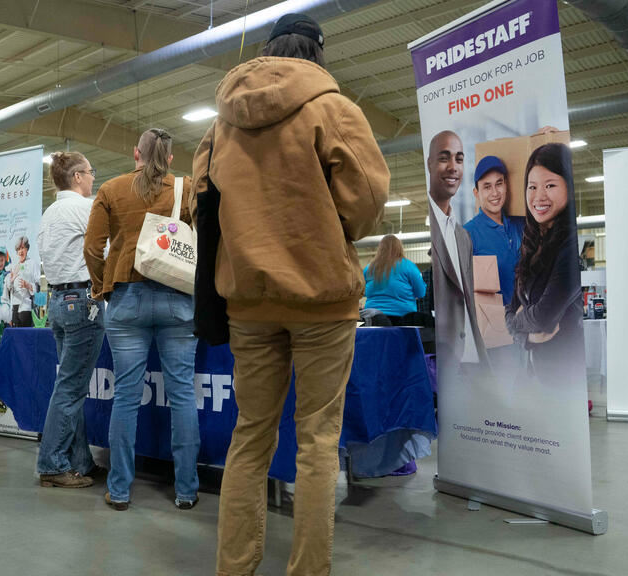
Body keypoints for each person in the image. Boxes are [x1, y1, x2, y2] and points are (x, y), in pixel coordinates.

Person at [190, 14, 389, 575]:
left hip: (249, 305)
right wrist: (328, 228)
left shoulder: (220, 127)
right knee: (318, 441)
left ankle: (235, 567)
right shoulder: (333, 109)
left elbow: (198, 206)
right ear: (317, 53)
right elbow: (367, 200)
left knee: (250, 437)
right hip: (323, 300)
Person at [85, 128, 201, 511]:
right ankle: (186, 490)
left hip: (127, 300)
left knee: (126, 397)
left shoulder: (112, 189)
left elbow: (92, 246)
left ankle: (119, 490)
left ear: (136, 153)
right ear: (169, 158)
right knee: (183, 394)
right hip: (177, 301)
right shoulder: (186, 188)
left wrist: (103, 288)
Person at [35, 151, 106, 489]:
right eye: (90, 172)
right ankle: (51, 463)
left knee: (69, 384)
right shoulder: (83, 208)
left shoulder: (49, 213)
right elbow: (103, 251)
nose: (93, 178)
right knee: (70, 388)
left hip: (59, 300)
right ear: (77, 176)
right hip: (83, 301)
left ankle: (80, 461)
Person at [506, 143, 584, 384]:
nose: (539, 196)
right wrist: (527, 337)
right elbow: (508, 313)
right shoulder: (532, 244)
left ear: (569, 189)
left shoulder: (569, 247)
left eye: (550, 185)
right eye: (532, 187)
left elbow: (543, 317)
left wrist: (519, 322)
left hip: (564, 374)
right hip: (537, 373)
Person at [426, 130, 488, 370]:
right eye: (444, 158)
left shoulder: (463, 236)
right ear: (430, 164)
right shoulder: (431, 227)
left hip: (474, 356)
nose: (453, 167)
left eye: (459, 159)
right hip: (445, 359)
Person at [464, 155, 524, 306]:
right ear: (476, 193)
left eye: (499, 183)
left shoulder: (521, 225)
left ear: (506, 185)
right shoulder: (468, 234)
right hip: (495, 325)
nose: (495, 193)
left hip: (529, 321)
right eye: (487, 186)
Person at [363, 235, 427, 325]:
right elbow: (421, 293)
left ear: (380, 248)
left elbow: (362, 291)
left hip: (373, 317)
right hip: (403, 317)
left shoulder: (369, 268)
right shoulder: (408, 265)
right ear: (399, 248)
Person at [7, 236, 38, 327]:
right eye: (19, 249)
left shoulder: (33, 263)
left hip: (26, 306)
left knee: (26, 335)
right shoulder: (14, 266)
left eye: (23, 248)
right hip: (14, 307)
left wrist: (28, 285)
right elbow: (9, 288)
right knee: (16, 336)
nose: (21, 251)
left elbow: (38, 286)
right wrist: (11, 280)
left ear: (27, 249)